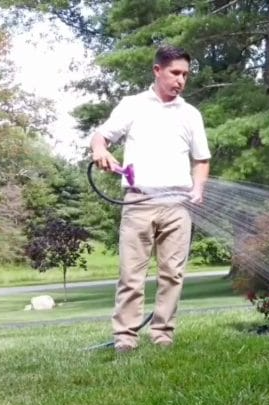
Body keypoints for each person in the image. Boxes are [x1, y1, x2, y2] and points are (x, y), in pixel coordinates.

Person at [90, 45, 211, 352]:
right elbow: (101, 136)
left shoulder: (190, 114)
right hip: (139, 202)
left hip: (178, 206)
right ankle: (125, 339)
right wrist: (100, 150)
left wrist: (198, 188)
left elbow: (201, 160)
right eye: (175, 73)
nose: (181, 80)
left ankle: (162, 336)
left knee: (173, 275)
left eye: (185, 74)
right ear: (157, 70)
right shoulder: (132, 105)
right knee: (131, 275)